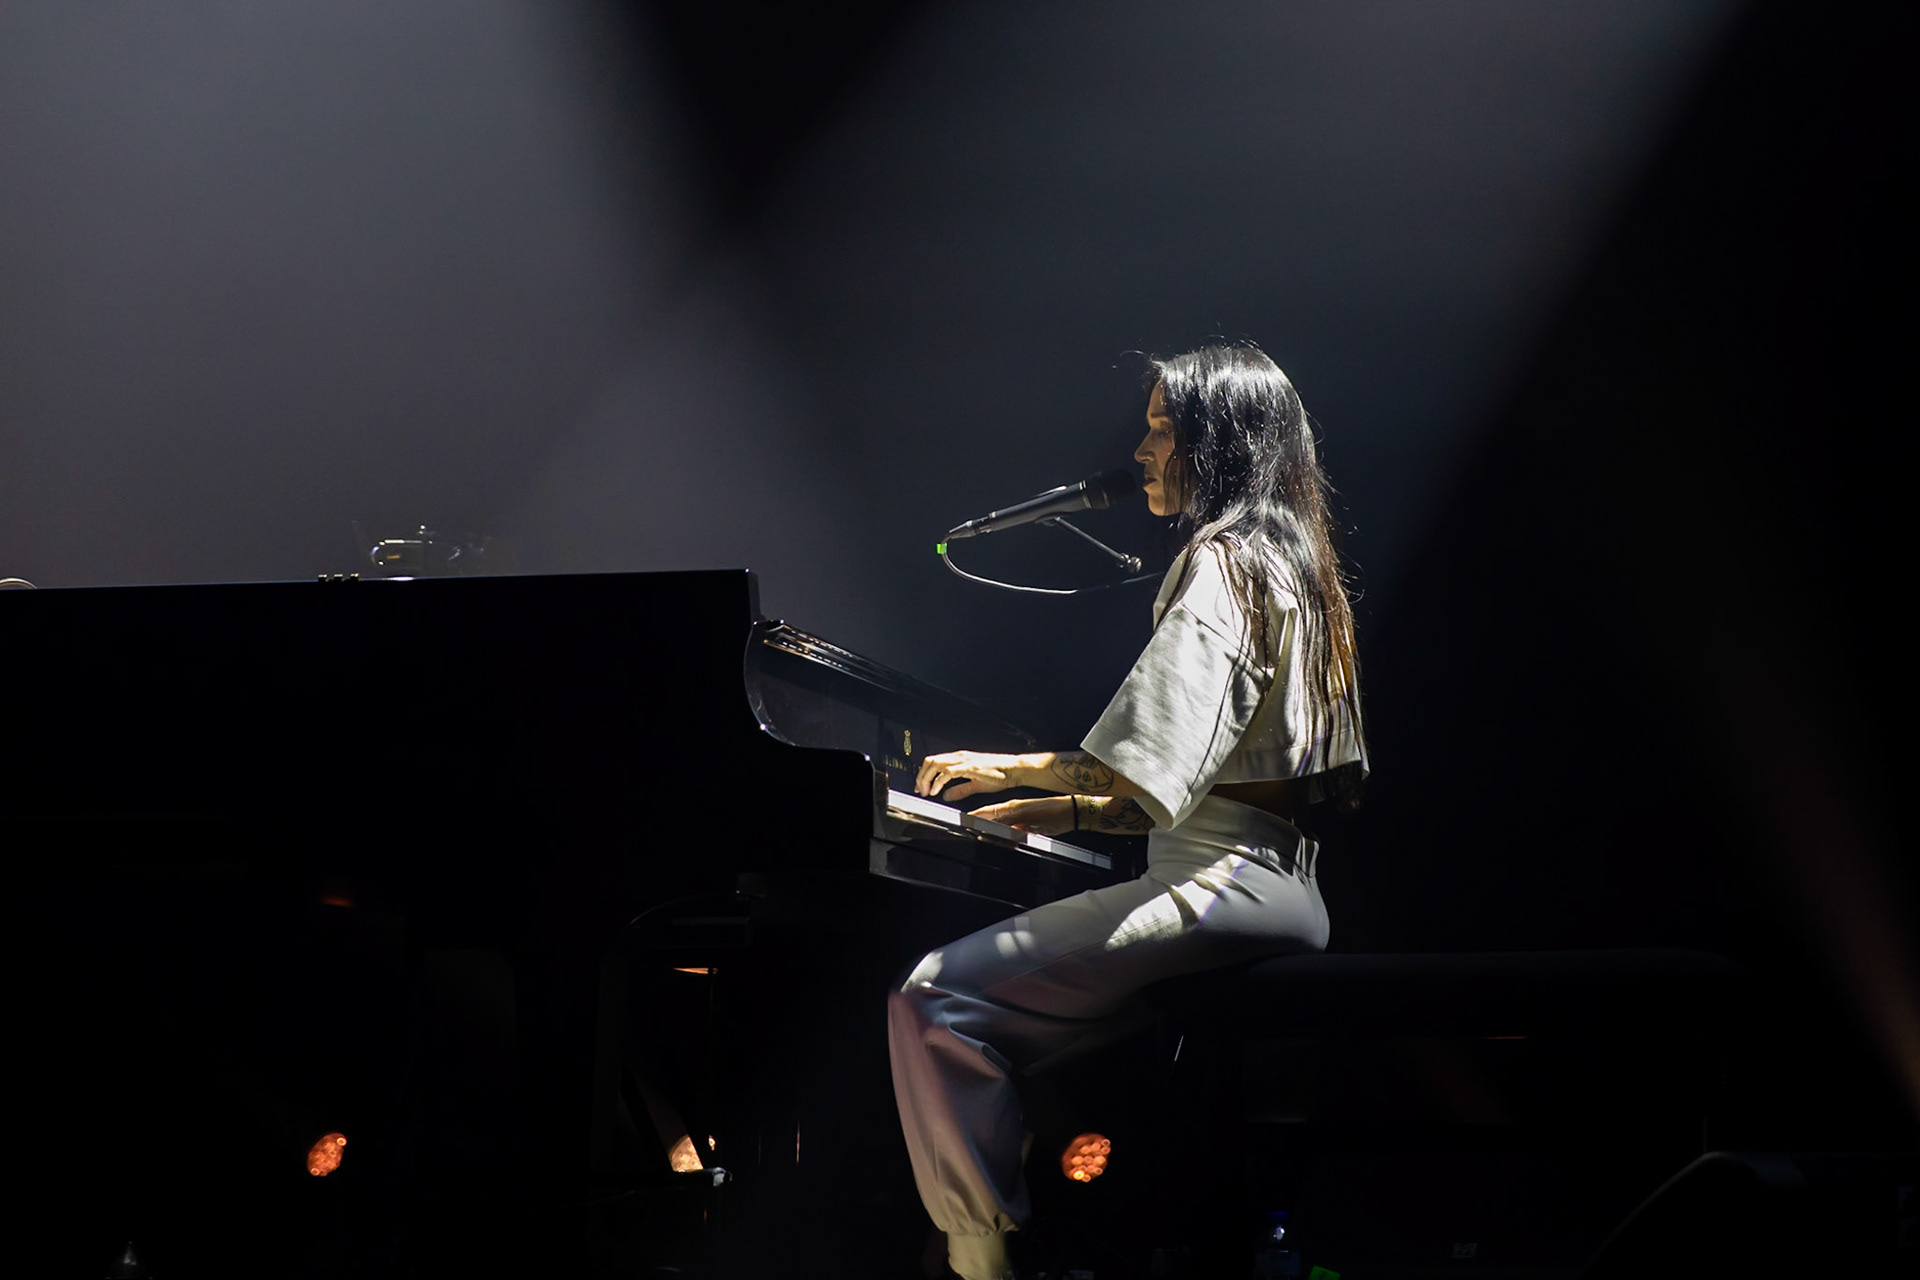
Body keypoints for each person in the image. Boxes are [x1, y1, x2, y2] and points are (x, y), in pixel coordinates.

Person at [888, 341, 1368, 1280]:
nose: (1143, 450)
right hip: (1285, 891)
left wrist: (1003, 771)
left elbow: (1145, 767)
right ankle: (1086, 1231)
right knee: (1010, 1022)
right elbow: (1200, 775)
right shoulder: (1302, 569)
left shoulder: (1225, 561)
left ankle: (981, 1264)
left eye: (1160, 427)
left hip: (1219, 887)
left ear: (1217, 439)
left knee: (934, 999)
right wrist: (1055, 807)